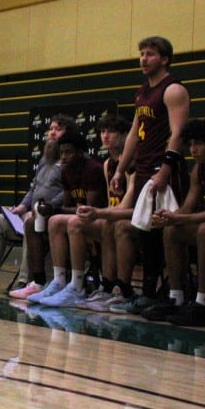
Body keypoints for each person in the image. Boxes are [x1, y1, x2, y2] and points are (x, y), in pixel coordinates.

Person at [109, 36, 190, 308]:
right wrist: (120, 170)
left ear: (165, 59)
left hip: (164, 168)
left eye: (150, 54)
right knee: (144, 230)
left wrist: (165, 170)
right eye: (142, 53)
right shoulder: (142, 92)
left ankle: (175, 292)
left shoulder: (173, 90)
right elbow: (134, 133)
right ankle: (146, 291)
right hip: (143, 168)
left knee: (164, 229)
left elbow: (177, 133)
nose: (143, 59)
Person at [143, 118, 205, 324]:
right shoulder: (199, 169)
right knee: (171, 231)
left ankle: (202, 302)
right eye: (190, 144)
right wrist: (169, 218)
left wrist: (179, 217)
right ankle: (176, 297)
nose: (192, 149)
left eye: (198, 144)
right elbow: (187, 208)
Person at [0, 115, 72, 295]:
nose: (52, 132)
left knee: (30, 221)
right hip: (33, 212)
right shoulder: (44, 160)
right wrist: (21, 207)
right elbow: (33, 188)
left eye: (58, 129)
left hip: (51, 215)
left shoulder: (70, 161)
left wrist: (48, 206)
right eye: (51, 128)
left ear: (69, 134)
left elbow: (68, 193)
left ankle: (25, 281)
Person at [26, 130, 108, 307]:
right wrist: (52, 209)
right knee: (54, 221)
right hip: (79, 216)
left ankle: (77, 286)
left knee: (70, 221)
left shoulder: (93, 169)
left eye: (68, 152)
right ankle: (58, 281)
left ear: (80, 152)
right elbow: (68, 205)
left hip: (99, 217)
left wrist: (57, 209)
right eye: (61, 152)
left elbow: (90, 208)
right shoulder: (67, 171)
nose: (63, 157)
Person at [62, 114, 132, 310]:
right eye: (102, 131)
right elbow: (111, 202)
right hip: (113, 216)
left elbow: (127, 206)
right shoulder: (108, 164)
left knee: (113, 224)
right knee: (73, 222)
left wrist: (99, 213)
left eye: (111, 131)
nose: (105, 136)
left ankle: (120, 289)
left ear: (125, 135)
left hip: (131, 217)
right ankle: (81, 285)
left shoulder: (130, 163)